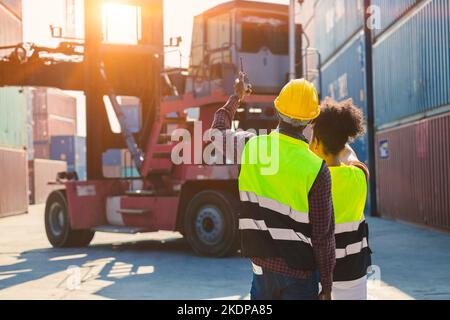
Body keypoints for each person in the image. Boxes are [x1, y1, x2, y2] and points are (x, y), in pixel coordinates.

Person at [211, 78, 335, 300]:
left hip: (262, 268)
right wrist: (326, 286)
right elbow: (322, 237)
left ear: (278, 110)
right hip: (301, 275)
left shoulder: (251, 147)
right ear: (311, 120)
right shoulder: (317, 169)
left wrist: (237, 97)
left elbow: (216, 133)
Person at [309, 98, 372, 300]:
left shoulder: (311, 181)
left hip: (321, 276)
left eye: (312, 139)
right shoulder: (360, 176)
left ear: (317, 143)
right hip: (355, 272)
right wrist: (338, 142)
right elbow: (351, 156)